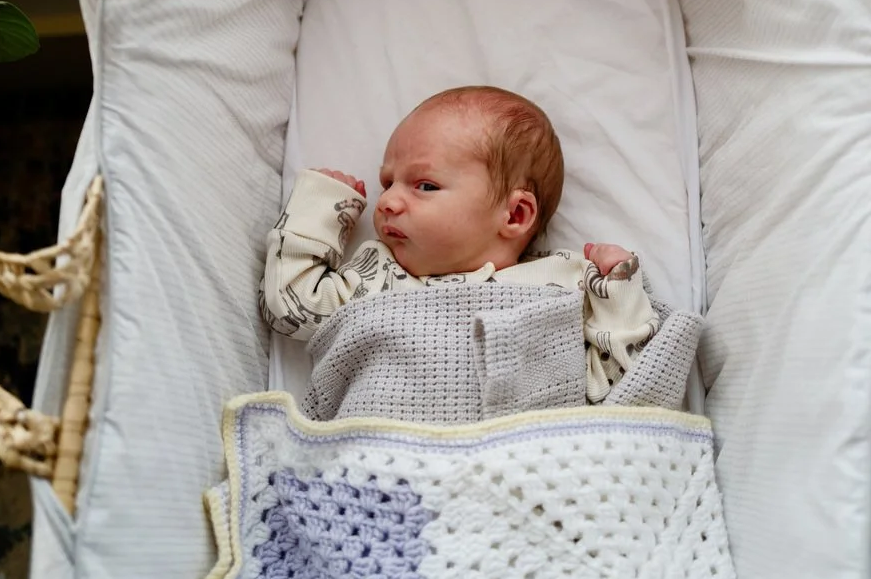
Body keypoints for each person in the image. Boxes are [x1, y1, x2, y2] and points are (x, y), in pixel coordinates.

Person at [260, 85, 661, 404]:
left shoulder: (563, 285)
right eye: (387, 183)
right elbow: (289, 306)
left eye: (425, 186)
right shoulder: (375, 276)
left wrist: (619, 298)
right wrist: (321, 208)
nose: (386, 201)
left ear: (516, 215)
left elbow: (619, 386)